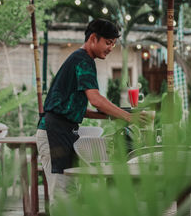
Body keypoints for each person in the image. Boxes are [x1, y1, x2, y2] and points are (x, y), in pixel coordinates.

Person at [36, 18, 147, 211]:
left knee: (69, 192)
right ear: (94, 38)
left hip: (63, 131)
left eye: (114, 43)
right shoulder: (83, 60)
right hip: (53, 133)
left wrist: (110, 115)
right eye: (108, 42)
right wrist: (128, 117)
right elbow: (95, 99)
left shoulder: (78, 59)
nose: (111, 47)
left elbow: (76, 108)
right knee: (62, 195)